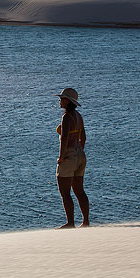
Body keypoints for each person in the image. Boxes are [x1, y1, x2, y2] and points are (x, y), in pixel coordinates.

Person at [55, 88, 90, 228]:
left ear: (67, 101)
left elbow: (64, 138)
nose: (60, 101)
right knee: (79, 191)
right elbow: (84, 137)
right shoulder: (78, 116)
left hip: (69, 156)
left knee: (65, 192)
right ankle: (86, 221)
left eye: (62, 98)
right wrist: (79, 151)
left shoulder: (66, 117)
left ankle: (70, 223)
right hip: (80, 155)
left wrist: (61, 156)